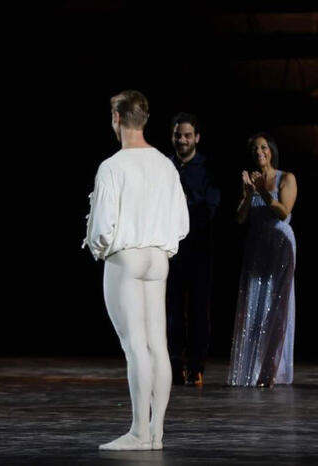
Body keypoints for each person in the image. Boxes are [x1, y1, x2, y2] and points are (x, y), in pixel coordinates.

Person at [83, 90, 189, 450]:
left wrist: (101, 248)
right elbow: (181, 223)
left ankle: (139, 431)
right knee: (157, 344)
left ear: (116, 118)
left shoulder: (113, 166)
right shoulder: (165, 164)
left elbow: (101, 229)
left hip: (127, 258)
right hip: (158, 258)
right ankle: (155, 431)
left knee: (135, 348)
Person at [228, 133, 297, 387]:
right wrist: (248, 194)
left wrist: (264, 193)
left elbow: (283, 211)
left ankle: (270, 371)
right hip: (257, 245)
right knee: (256, 306)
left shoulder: (285, 178)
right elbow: (239, 218)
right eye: (255, 148)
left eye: (264, 147)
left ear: (272, 150)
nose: (259, 152)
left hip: (280, 244)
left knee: (277, 307)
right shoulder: (251, 181)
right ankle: (254, 368)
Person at [166, 112, 220, 386]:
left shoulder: (207, 169)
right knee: (172, 311)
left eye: (187, 135)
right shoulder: (164, 167)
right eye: (178, 135)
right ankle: (174, 365)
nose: (182, 140)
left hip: (199, 249)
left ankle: (196, 366)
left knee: (199, 310)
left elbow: (209, 209)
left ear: (197, 137)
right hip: (170, 250)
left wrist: (185, 197)